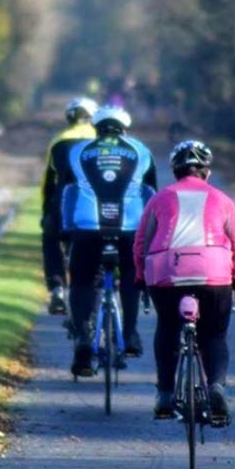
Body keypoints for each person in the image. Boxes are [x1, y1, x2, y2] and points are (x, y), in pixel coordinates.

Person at [132, 140, 235, 424]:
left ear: (175, 171)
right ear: (206, 172)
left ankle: (165, 394)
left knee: (168, 327)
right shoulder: (223, 200)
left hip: (167, 271)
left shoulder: (159, 199)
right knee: (214, 335)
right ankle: (217, 386)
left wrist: (139, 275)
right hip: (214, 272)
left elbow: (140, 243)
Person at [58, 105, 158, 376]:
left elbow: (67, 192)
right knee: (131, 275)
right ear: (124, 128)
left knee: (81, 281)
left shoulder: (77, 151)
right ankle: (131, 333)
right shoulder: (140, 150)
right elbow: (152, 193)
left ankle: (82, 340)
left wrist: (66, 230)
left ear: (96, 127)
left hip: (88, 228)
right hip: (130, 229)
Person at [41, 96, 98, 315]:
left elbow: (48, 183)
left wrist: (47, 212)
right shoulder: (100, 139)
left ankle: (56, 287)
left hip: (64, 207)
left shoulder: (58, 142)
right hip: (95, 209)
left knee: (50, 238)